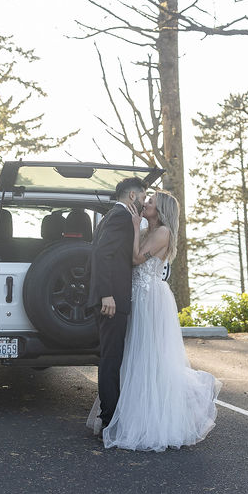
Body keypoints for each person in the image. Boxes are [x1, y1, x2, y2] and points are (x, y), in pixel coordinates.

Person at [87, 190, 222, 451]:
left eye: (150, 202)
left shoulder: (163, 233)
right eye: (146, 200)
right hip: (138, 295)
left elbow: (137, 258)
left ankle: (158, 417)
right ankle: (133, 413)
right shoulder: (152, 229)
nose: (145, 204)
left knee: (150, 356)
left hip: (150, 298)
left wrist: (136, 227)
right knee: (137, 357)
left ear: (161, 211)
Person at [86, 176, 147, 432]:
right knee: (111, 359)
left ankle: (109, 416)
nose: (144, 201)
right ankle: (109, 421)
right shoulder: (121, 217)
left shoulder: (112, 215)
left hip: (111, 297)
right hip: (112, 299)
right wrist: (106, 294)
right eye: (143, 196)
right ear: (132, 196)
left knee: (111, 357)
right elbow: (102, 254)